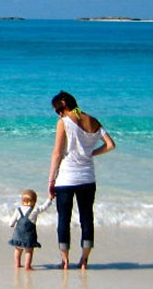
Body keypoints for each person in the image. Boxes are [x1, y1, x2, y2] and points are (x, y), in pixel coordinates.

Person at [47, 91, 116, 270]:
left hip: (66, 178)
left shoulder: (63, 122)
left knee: (64, 219)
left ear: (63, 104)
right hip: (87, 177)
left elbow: (57, 153)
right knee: (87, 218)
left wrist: (51, 180)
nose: (58, 114)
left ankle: (65, 260)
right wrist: (92, 153)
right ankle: (84, 260)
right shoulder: (94, 121)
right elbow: (110, 145)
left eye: (57, 110)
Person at [8, 188, 54, 270]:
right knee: (29, 251)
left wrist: (11, 225)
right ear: (34, 201)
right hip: (29, 236)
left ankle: (17, 264)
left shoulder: (18, 210)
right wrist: (50, 199)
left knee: (18, 249)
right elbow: (44, 207)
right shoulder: (35, 210)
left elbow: (11, 222)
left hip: (17, 235)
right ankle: (27, 266)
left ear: (22, 201)